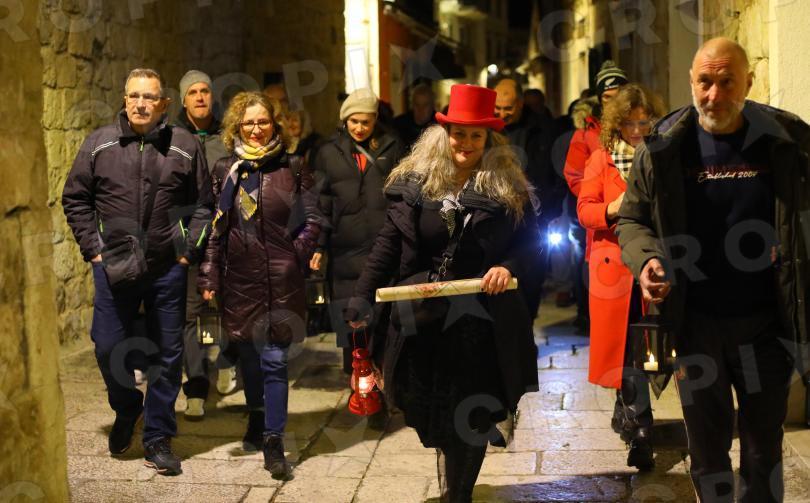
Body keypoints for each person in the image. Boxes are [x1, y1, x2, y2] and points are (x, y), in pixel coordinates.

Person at [616, 38, 809, 502]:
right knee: (706, 447)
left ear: (749, 82)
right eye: (705, 81)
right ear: (691, 81)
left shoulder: (788, 141)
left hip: (766, 325)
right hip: (696, 324)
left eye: (727, 81)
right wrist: (648, 259)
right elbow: (632, 219)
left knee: (763, 447)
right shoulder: (664, 148)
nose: (714, 94)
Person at [346, 84, 541, 502]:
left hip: (480, 324)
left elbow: (531, 246)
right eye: (459, 133)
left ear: (489, 139)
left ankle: (459, 494)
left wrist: (507, 267)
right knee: (432, 412)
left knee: (470, 415)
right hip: (422, 321)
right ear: (444, 133)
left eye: (476, 135)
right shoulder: (416, 185)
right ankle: (455, 484)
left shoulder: (507, 189)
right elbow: (388, 246)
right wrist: (362, 295)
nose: (466, 143)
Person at [62, 68, 214, 475]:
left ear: (163, 103)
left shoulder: (183, 145)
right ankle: (128, 407)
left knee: (167, 353)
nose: (141, 104)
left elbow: (204, 204)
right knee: (107, 346)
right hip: (112, 263)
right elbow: (75, 198)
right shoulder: (100, 143)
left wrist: (187, 253)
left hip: (167, 266)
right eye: (134, 96)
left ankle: (158, 436)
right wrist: (93, 250)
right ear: (125, 99)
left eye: (149, 97)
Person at [197, 91, 320, 479]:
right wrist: (209, 274)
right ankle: (255, 415)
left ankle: (273, 440)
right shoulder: (225, 169)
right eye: (248, 122)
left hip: (281, 278)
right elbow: (216, 227)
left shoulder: (293, 166)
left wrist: (294, 254)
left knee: (275, 359)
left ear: (274, 124)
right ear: (237, 125)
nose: (255, 128)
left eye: (262, 121)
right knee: (249, 356)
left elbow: (314, 219)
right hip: (239, 278)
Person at [577, 83, 665, 471]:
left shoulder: (660, 157)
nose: (637, 130)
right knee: (626, 348)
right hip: (612, 267)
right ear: (618, 124)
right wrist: (612, 208)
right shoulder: (601, 159)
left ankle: (628, 411)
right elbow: (584, 210)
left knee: (647, 346)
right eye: (630, 123)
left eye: (644, 122)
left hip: (650, 264)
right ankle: (641, 427)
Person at [310, 89, 403, 382]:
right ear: (345, 119)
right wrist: (319, 245)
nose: (360, 128)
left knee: (383, 322)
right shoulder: (328, 153)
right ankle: (357, 387)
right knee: (350, 321)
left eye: (365, 121)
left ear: (375, 119)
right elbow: (322, 202)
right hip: (344, 251)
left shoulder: (392, 147)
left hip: (383, 247)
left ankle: (384, 386)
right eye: (354, 121)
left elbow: (403, 197)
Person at [173, 70, 238, 420]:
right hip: (187, 235)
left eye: (205, 91)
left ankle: (227, 360)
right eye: (193, 92)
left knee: (229, 306)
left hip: (224, 234)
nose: (200, 97)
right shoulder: (172, 137)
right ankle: (196, 387)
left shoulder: (227, 138)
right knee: (189, 313)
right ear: (183, 100)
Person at [492, 77, 563, 318]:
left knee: (532, 283)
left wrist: (551, 210)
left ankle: (527, 327)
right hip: (500, 219)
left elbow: (556, 172)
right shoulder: (488, 131)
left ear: (520, 104)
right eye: (497, 108)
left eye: (508, 108)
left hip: (536, 219)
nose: (502, 114)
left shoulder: (543, 130)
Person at [392, 83, 437, 150]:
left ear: (432, 106)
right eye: (417, 104)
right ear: (412, 105)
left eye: (425, 105)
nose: (420, 109)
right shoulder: (400, 125)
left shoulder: (439, 126)